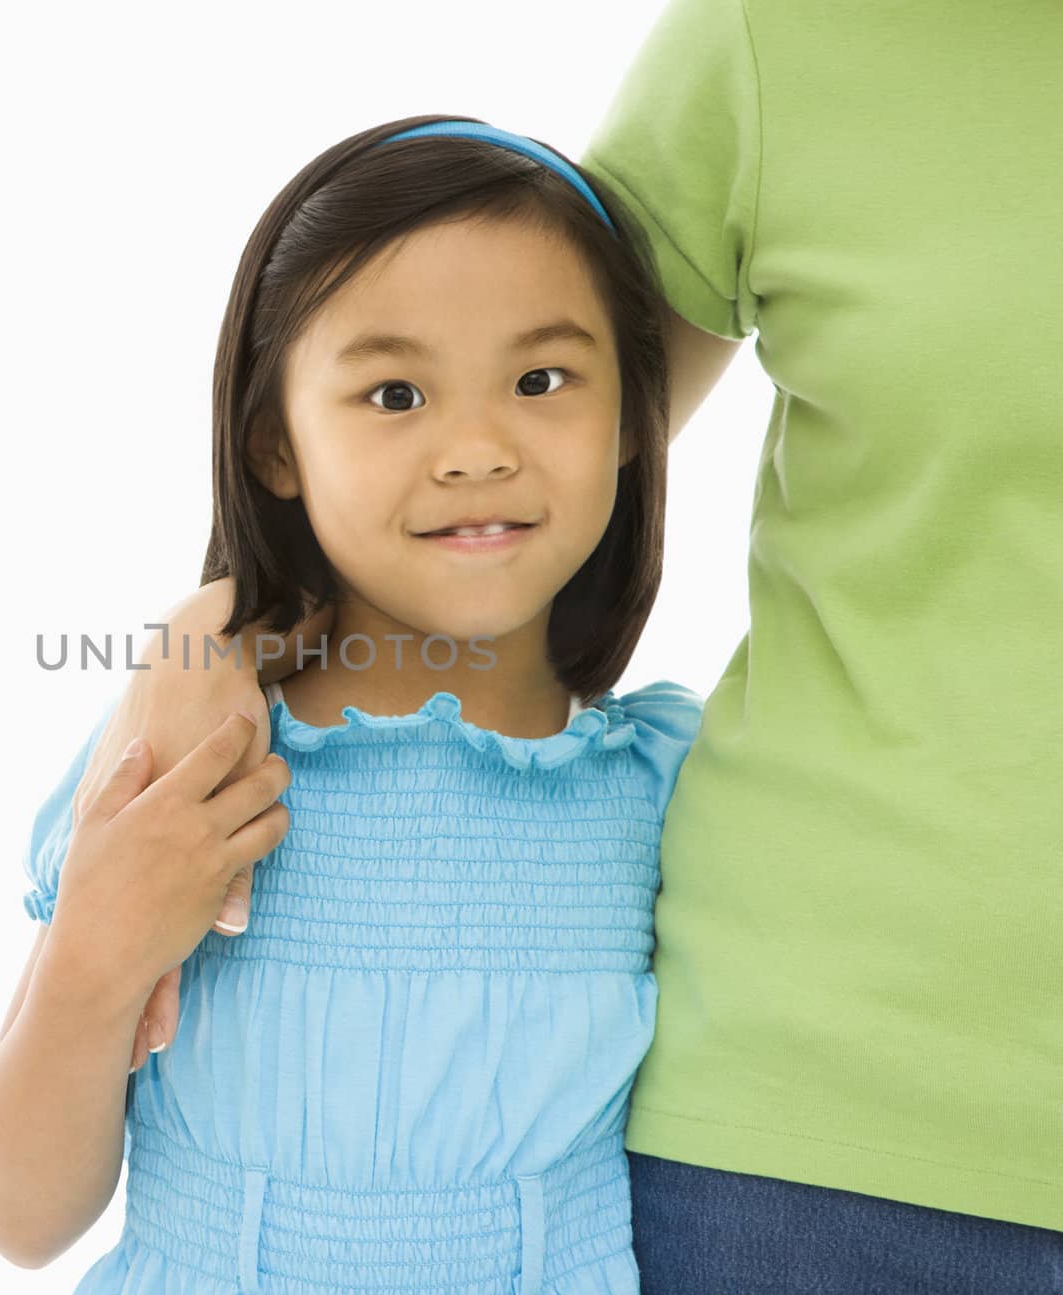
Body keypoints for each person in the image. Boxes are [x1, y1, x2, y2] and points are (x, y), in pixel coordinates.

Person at [67, 1, 1063, 1289]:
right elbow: (486, 359)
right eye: (401, 396)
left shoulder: (629, 780)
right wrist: (212, 629)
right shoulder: (782, 41)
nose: (477, 439)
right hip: (826, 1138)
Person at [0, 114, 707, 1292]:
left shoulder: (668, 785)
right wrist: (102, 950)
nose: (476, 447)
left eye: (542, 378)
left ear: (628, 420)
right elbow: (18, 1215)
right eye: (395, 392)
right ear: (275, 444)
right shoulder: (188, 769)